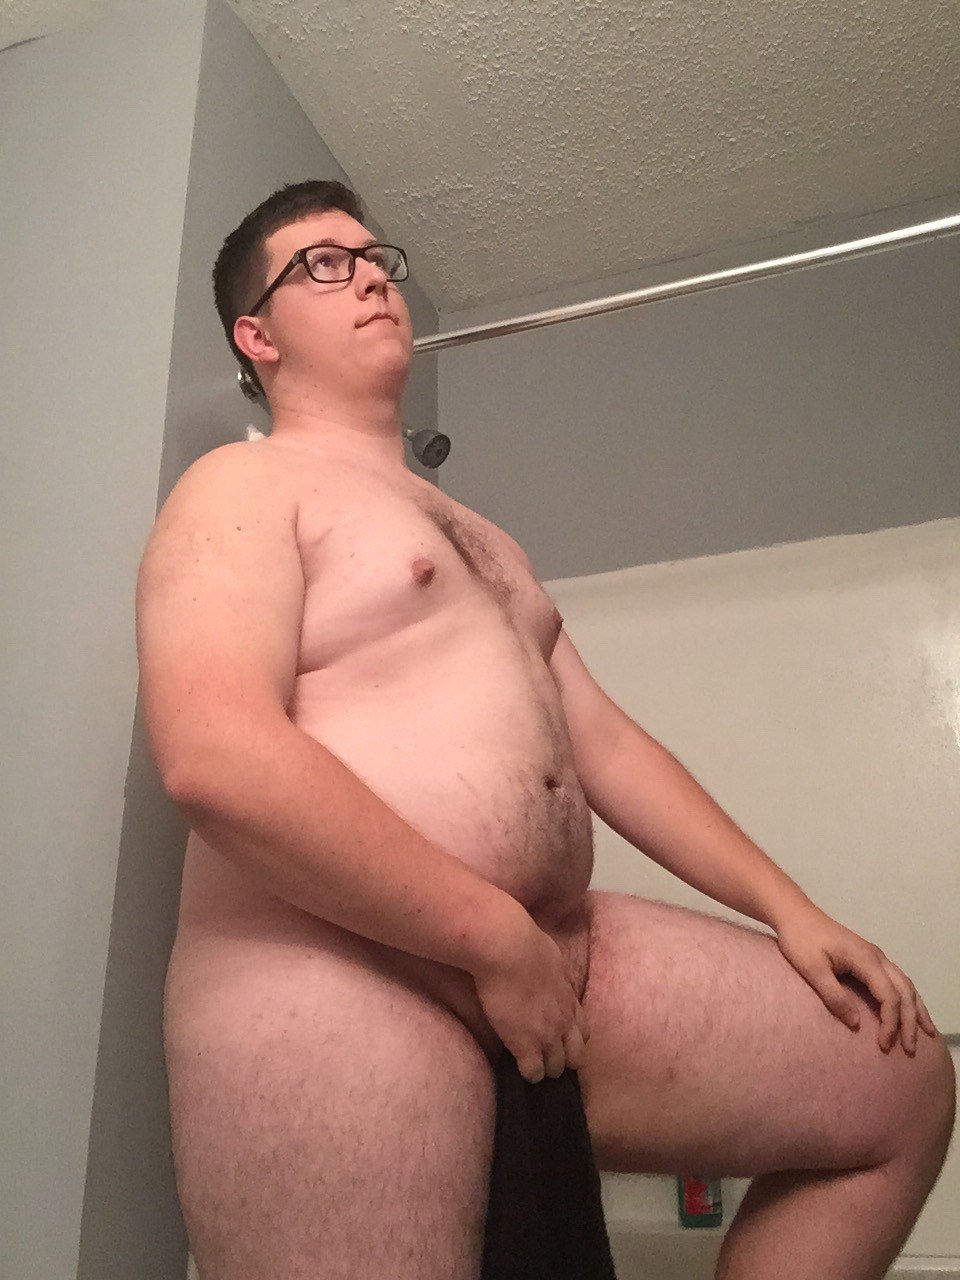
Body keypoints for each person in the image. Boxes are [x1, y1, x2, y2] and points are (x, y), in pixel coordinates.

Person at [136, 179, 955, 1280]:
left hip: (555, 946)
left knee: (900, 1083)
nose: (371, 274)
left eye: (376, 255)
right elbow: (214, 754)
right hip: (335, 965)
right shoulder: (240, 485)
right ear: (258, 336)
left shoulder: (483, 537)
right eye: (324, 264)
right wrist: (487, 933)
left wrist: (787, 907)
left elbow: (604, 744)